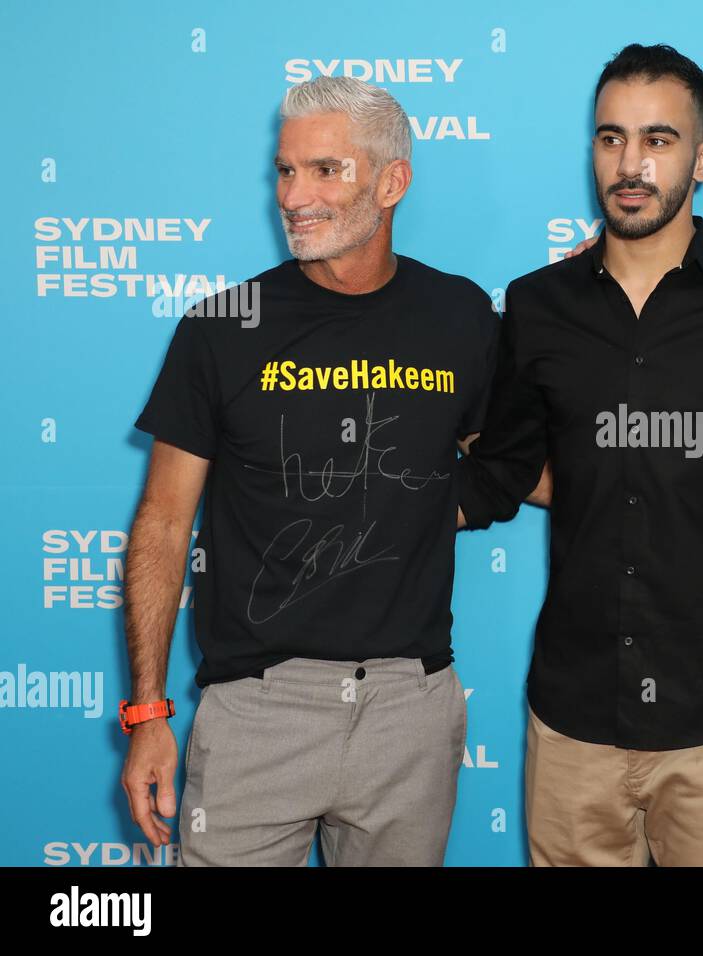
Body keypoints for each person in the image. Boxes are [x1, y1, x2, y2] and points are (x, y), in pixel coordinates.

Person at [457, 43, 703, 866]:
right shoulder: (535, 307)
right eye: (610, 138)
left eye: (659, 140)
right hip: (574, 719)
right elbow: (508, 469)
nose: (631, 163)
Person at [120, 75, 499, 866]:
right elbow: (162, 522)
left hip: (410, 707)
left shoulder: (461, 316)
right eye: (287, 171)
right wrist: (147, 713)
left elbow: (521, 468)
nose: (296, 195)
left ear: (392, 181)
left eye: (327, 170)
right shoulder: (222, 327)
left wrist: (579, 316)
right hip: (258, 708)